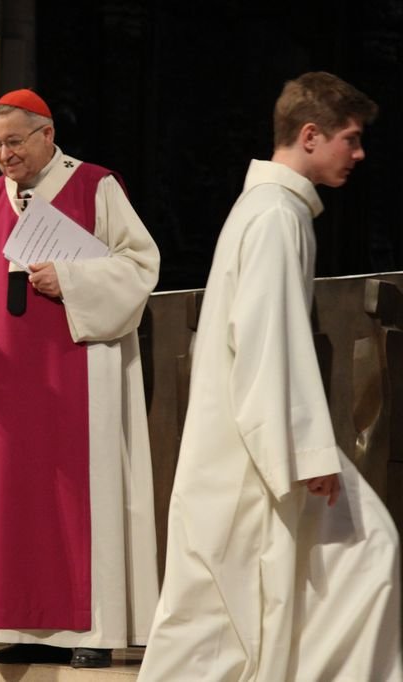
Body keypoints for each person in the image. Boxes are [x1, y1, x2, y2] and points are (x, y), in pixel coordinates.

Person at [138, 72, 402, 681]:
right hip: (253, 452)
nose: (359, 155)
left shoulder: (272, 209)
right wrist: (307, 452)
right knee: (223, 623)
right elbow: (266, 338)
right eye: (351, 139)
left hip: (249, 442)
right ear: (311, 135)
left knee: (259, 605)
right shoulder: (276, 216)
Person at [0, 88, 160, 668]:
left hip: (76, 377)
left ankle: (89, 633)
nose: (4, 155)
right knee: (7, 504)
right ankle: (14, 625)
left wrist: (70, 279)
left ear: (47, 134)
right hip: (3, 385)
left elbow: (141, 266)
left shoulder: (96, 186)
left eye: (14, 142)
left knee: (75, 501)